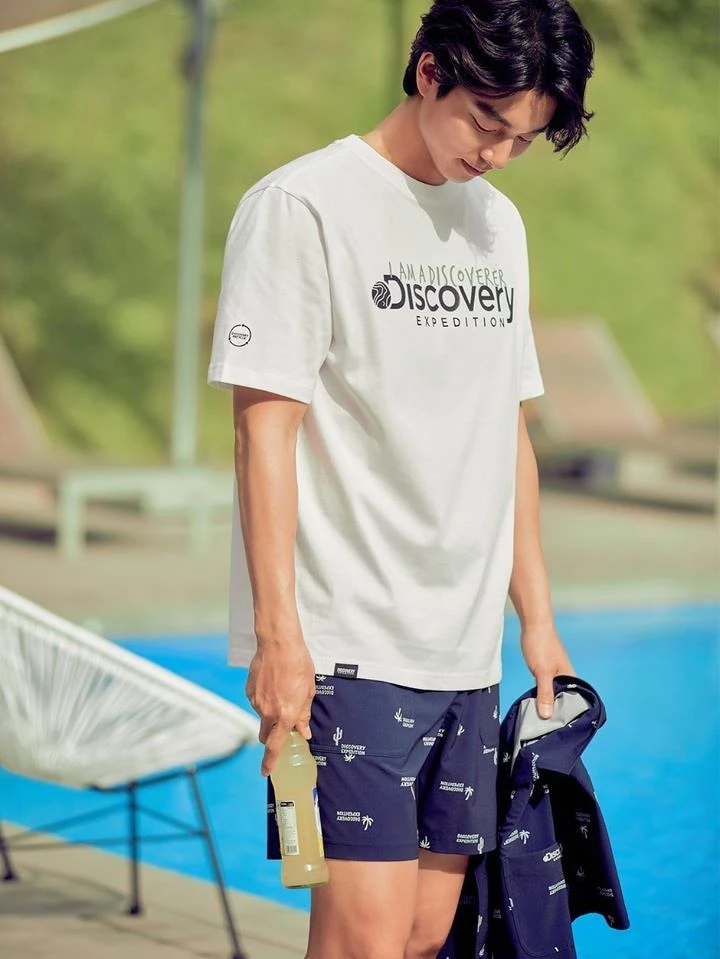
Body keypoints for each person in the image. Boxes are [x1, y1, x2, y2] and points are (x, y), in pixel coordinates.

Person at [208, 2, 595, 956]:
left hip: (463, 647)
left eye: (522, 139)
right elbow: (263, 432)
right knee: (364, 941)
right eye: (487, 122)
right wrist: (279, 638)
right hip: (347, 641)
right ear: (429, 71)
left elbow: (507, 433)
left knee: (424, 936)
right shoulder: (303, 206)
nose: (497, 154)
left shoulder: (497, 225)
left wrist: (537, 620)